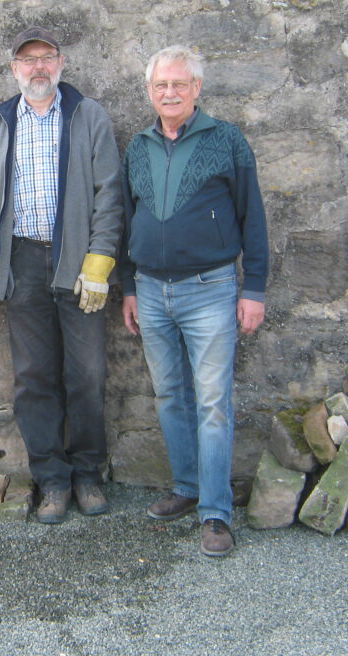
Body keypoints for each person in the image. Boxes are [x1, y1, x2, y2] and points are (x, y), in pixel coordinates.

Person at [0, 27, 123, 524]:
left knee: (87, 373)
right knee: (34, 376)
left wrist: (99, 262)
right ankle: (52, 480)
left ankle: (87, 474)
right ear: (14, 69)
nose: (38, 67)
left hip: (76, 261)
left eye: (46, 57)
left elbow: (110, 194)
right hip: (21, 262)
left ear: (61, 63)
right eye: (28, 59)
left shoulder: (87, 115)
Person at [120, 45, 269, 557]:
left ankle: (216, 512)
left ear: (196, 89)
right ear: (150, 91)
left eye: (179, 84)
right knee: (169, 396)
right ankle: (186, 487)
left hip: (211, 289)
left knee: (212, 404)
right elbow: (125, 221)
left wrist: (254, 289)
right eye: (161, 85)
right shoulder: (138, 147)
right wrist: (128, 287)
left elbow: (253, 217)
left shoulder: (227, 140)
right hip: (150, 291)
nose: (170, 93)